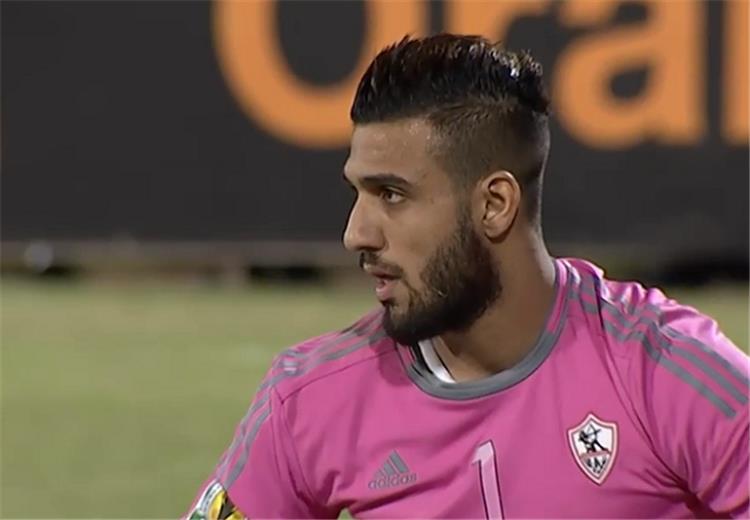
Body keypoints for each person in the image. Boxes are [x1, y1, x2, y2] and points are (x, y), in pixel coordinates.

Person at [187, 34, 749, 519]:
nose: (356, 233)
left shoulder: (667, 372)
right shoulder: (308, 401)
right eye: (358, 193)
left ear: (495, 204)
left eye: (391, 194)